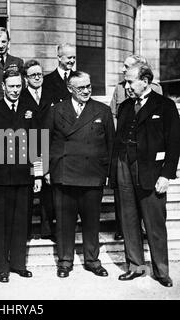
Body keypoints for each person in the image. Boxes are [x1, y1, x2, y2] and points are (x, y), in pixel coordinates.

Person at [110, 63, 180, 288]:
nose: (127, 86)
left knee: (155, 223)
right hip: (125, 168)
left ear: (146, 81)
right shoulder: (125, 107)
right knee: (128, 219)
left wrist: (167, 175)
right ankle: (135, 266)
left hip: (152, 171)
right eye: (126, 81)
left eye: (131, 82)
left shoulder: (166, 106)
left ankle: (161, 271)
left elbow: (174, 144)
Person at [47, 71, 115, 278]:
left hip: (92, 175)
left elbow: (111, 145)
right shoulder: (56, 110)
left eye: (88, 87)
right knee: (64, 222)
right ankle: (65, 261)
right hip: (64, 174)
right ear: (70, 89)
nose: (86, 91)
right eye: (80, 88)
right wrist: (45, 171)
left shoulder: (102, 111)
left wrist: (108, 174)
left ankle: (92, 260)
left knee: (92, 221)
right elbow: (43, 141)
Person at [0, 68, 42, 283]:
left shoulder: (29, 110)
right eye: (11, 86)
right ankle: (2, 268)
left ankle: (18, 264)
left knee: (21, 222)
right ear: (3, 87)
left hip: (23, 177)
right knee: (2, 223)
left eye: (18, 86)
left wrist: (38, 175)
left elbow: (36, 144)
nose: (15, 90)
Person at [110, 54, 162, 241]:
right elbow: (115, 119)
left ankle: (160, 269)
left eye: (127, 67)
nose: (123, 70)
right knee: (127, 210)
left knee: (150, 211)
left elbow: (168, 137)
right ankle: (133, 258)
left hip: (147, 160)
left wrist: (166, 172)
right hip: (125, 157)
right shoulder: (122, 97)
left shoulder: (159, 97)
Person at [19, 59, 56, 241]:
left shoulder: (51, 94)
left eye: (40, 74)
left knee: (48, 192)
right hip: (28, 148)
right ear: (26, 78)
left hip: (48, 146)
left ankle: (47, 229)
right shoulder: (21, 96)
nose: (37, 78)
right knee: (27, 191)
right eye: (33, 75)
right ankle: (24, 231)